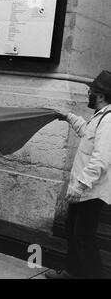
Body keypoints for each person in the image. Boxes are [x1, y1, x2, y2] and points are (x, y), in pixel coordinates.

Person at [46, 71, 111, 279]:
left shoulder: (109, 121)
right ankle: (72, 272)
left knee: (84, 237)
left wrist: (81, 185)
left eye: (91, 91)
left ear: (100, 95)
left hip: (91, 191)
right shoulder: (100, 116)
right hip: (83, 188)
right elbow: (86, 133)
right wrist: (68, 116)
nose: (88, 93)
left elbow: (101, 158)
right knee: (72, 230)